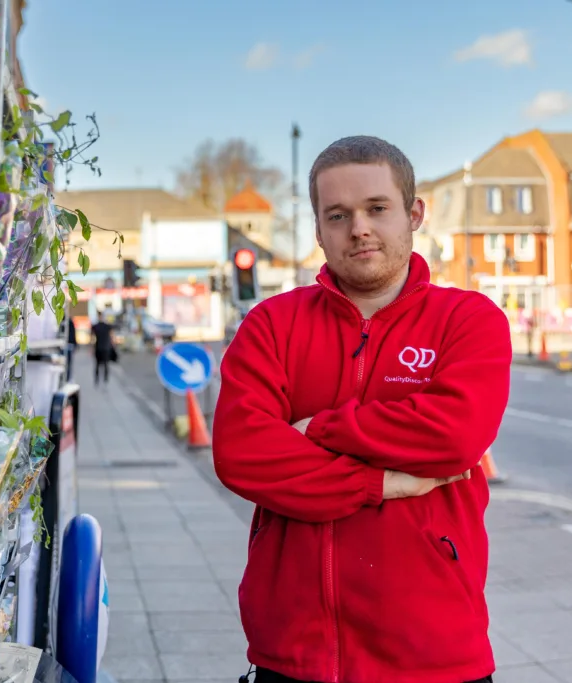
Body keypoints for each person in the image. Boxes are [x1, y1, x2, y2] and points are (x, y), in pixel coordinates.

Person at [213, 136, 511, 683]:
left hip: (435, 654)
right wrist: (382, 485)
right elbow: (241, 453)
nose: (359, 229)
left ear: (413, 213)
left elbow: (455, 435)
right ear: (318, 228)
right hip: (292, 654)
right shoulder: (272, 325)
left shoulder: (469, 320)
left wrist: (318, 430)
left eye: (377, 208)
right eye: (338, 215)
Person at [90, 313, 115, 386]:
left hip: (101, 347)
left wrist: (91, 347)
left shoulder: (96, 326)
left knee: (100, 364)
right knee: (103, 364)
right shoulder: (107, 326)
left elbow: (92, 338)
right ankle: (103, 379)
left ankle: (101, 379)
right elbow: (112, 336)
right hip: (103, 347)